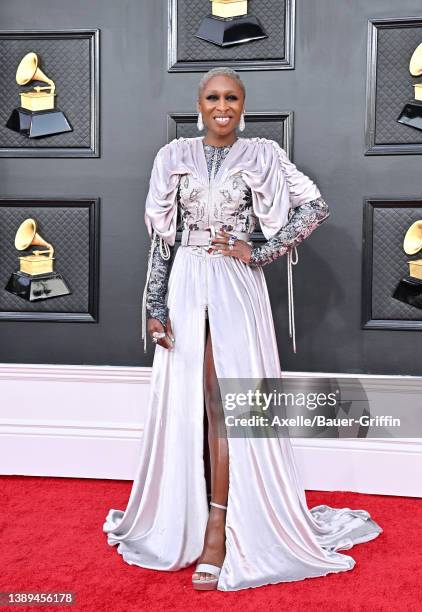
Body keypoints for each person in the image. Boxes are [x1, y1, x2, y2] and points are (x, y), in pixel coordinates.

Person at [103, 67, 382, 592]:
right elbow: (163, 239)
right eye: (213, 97)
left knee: (230, 402)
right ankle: (192, 516)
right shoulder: (173, 157)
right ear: (199, 103)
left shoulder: (265, 155)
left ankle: (219, 530)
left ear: (243, 104)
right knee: (196, 401)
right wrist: (155, 305)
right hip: (186, 283)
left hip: (236, 284)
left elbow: (315, 205)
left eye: (231, 97)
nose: (222, 106)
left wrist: (259, 251)